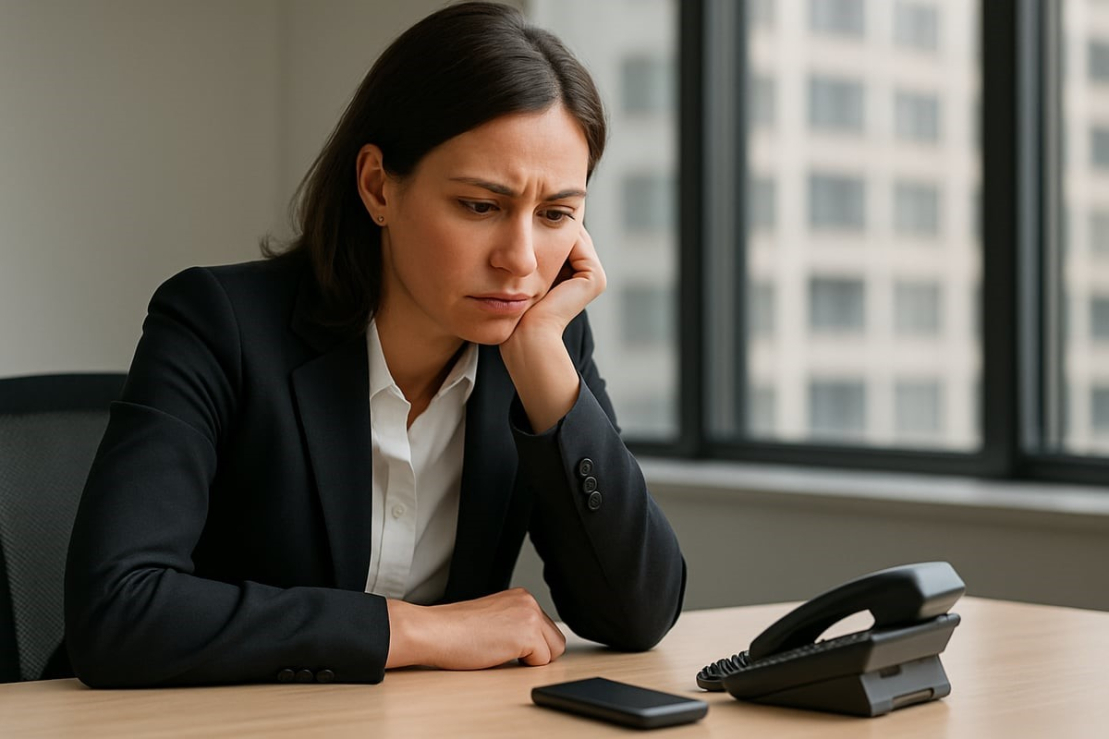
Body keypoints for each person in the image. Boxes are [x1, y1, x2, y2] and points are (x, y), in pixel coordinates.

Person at [64, 1, 685, 687]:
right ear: (377, 186)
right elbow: (116, 612)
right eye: (480, 206)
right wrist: (414, 627)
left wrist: (545, 369)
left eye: (555, 214)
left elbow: (637, 612)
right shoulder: (218, 323)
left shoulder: (543, 340)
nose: (521, 259)